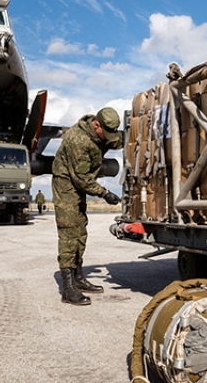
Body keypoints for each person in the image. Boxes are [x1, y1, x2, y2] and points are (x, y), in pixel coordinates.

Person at [52, 107, 122, 305]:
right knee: (69, 232)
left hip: (79, 184)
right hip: (67, 185)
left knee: (81, 229)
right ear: (96, 124)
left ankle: (78, 277)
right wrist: (105, 193)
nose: (107, 137)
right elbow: (81, 179)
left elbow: (116, 140)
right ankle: (67, 288)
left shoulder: (101, 131)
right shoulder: (78, 140)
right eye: (105, 133)